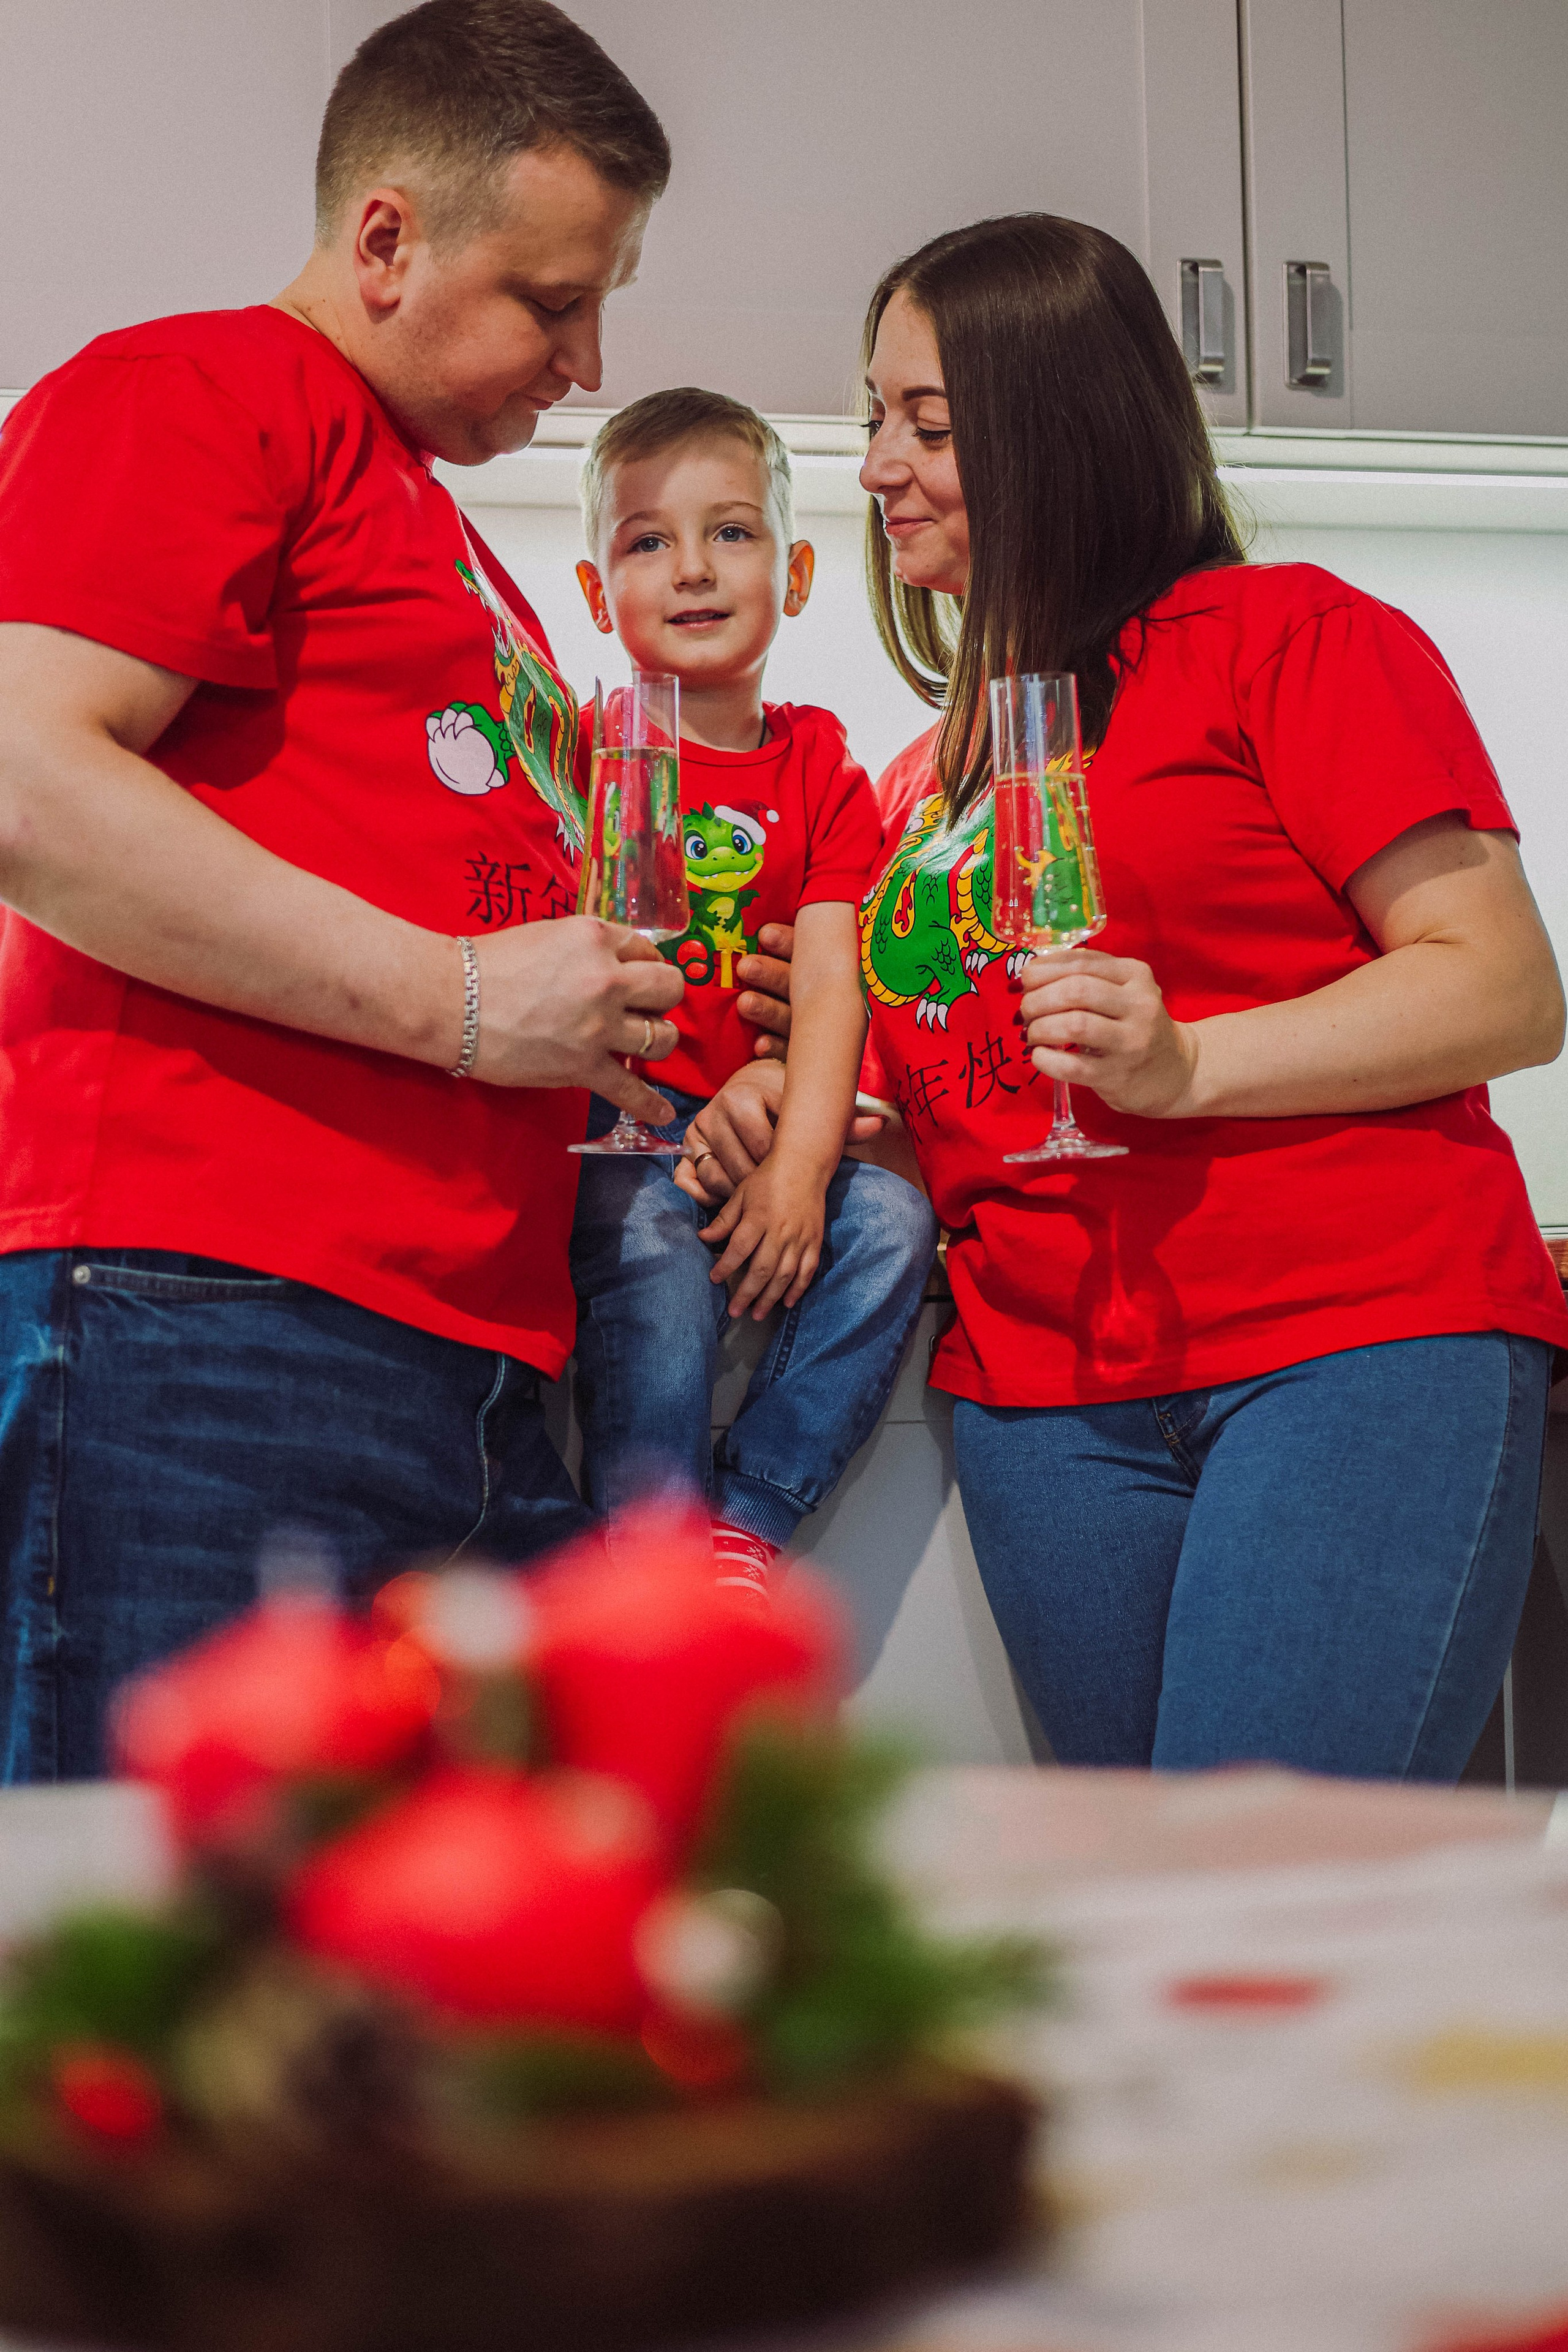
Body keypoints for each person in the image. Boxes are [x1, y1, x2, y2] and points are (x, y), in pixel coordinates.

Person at [679, 213, 1568, 1781]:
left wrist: (1190, 1065)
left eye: (927, 425)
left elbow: (1499, 984)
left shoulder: (1286, 641)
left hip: (1342, 1350)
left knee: (1261, 1920)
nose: (875, 462)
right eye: (874, 414)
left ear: (1058, 434)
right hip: (1045, 1396)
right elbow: (983, 1100)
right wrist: (804, 1109)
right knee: (1142, 1936)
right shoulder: (922, 783)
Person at [0, 0, 684, 1780]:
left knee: (404, 2006)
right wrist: (468, 1002)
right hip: (208, 1324)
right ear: (387, 237)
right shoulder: (195, 391)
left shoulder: (439, 534)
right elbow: (23, 775)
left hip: (444, 1352)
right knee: (153, 1974)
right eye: (552, 299)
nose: (588, 361)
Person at [568, 390, 938, 1596]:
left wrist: (798, 1165)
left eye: (730, 533)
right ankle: (652, 1560)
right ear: (593, 593)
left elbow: (833, 976)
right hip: (620, 1136)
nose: (691, 569)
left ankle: (750, 1518)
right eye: (645, 540)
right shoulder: (582, 752)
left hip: (765, 1129)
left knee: (889, 1224)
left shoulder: (819, 761)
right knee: (648, 1261)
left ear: (796, 574)